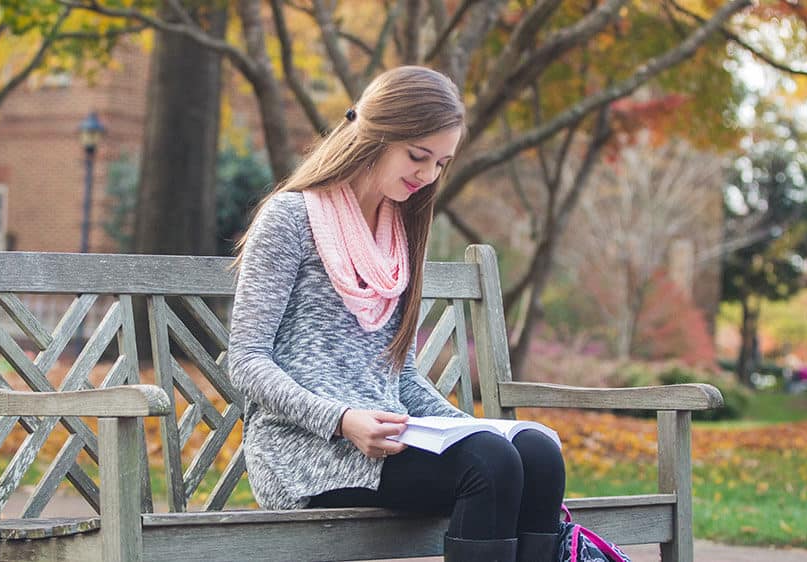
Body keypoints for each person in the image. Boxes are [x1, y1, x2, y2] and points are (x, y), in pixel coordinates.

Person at [228, 66, 566, 562]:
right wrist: (342, 420)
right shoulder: (290, 219)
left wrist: (468, 428)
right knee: (489, 466)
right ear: (376, 134)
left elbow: (401, 375)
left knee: (536, 454)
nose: (427, 175)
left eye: (441, 163)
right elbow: (246, 361)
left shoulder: (398, 233)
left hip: (386, 439)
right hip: (304, 449)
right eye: (418, 156)